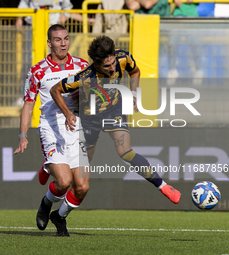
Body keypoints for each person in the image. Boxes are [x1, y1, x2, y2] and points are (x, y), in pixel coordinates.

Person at [50, 35, 181, 204]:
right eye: (107, 66)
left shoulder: (123, 57)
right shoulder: (84, 76)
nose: (112, 69)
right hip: (90, 118)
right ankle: (50, 165)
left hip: (114, 110)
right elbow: (55, 90)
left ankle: (163, 186)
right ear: (96, 64)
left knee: (125, 151)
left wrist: (134, 94)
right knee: (83, 162)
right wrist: (68, 113)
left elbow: (135, 72)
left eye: (113, 63)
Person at [13, 24, 89, 237]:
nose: (63, 43)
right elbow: (28, 105)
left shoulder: (82, 66)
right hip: (51, 127)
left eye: (66, 39)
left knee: (82, 187)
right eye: (58, 40)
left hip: (76, 126)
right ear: (49, 43)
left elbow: (91, 95)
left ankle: (59, 216)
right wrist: (22, 135)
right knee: (64, 182)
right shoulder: (38, 71)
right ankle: (46, 203)